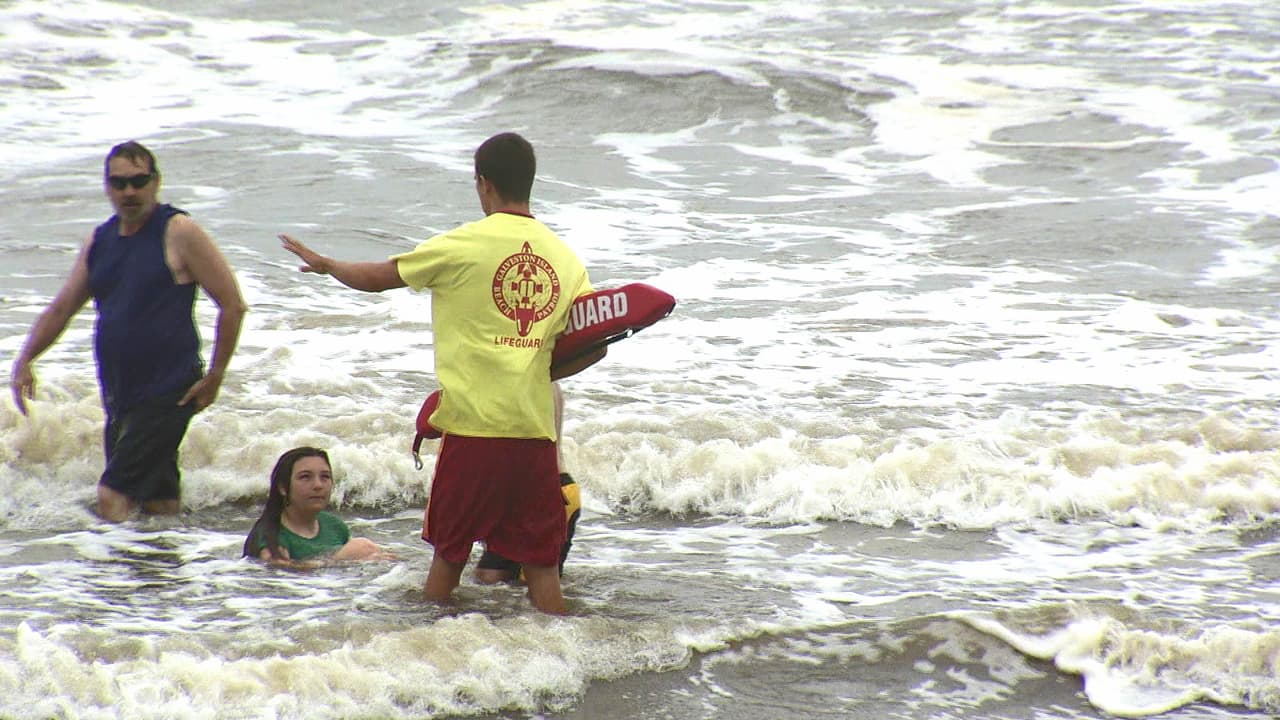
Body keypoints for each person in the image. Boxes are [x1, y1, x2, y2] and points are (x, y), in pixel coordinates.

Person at [279, 131, 603, 614]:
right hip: (535, 438)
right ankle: (569, 661)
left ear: (483, 184)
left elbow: (378, 278)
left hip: (473, 431)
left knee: (447, 564)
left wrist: (328, 265)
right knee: (542, 570)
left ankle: (428, 657)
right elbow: (588, 349)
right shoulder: (565, 259)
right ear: (530, 183)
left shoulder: (462, 244)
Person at [9, 141, 247, 522]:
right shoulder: (100, 240)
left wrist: (215, 375)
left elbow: (232, 304)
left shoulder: (178, 230)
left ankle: (114, 578)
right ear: (107, 187)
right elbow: (61, 308)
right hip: (120, 391)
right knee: (158, 500)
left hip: (171, 388)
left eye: (138, 181)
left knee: (112, 494)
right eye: (119, 184)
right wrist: (25, 359)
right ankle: (165, 574)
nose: (129, 192)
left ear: (156, 182)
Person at [474, 383, 581, 583]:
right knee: (494, 577)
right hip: (557, 488)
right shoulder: (548, 381)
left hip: (547, 491)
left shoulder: (529, 383)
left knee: (533, 585)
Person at [243, 446, 394, 565]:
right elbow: (278, 574)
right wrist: (338, 560)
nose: (318, 485)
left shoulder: (335, 526)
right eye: (305, 477)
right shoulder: (270, 534)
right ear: (283, 487)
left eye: (325, 477)